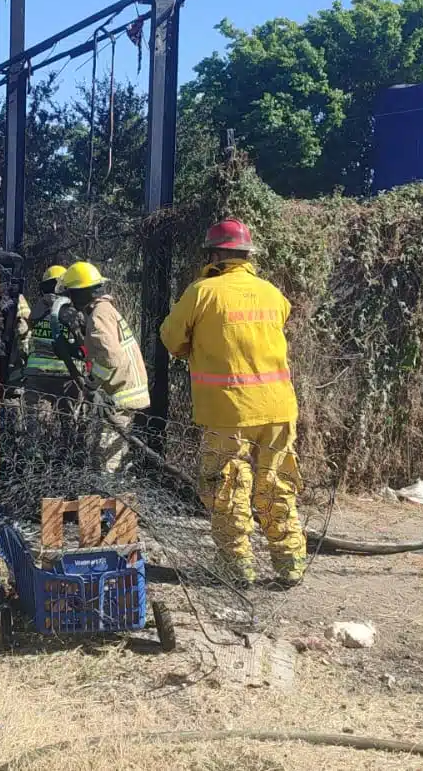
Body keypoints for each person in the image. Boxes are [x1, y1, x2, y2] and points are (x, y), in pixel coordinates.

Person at [159, 218, 305, 588]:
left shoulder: (202, 292)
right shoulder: (272, 293)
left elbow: (172, 340)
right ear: (246, 255)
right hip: (278, 407)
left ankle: (237, 566)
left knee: (227, 485)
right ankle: (290, 563)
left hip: (229, 409)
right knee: (276, 484)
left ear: (214, 254)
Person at [59, 261, 149, 475]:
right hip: (121, 392)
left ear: (81, 293)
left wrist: (91, 384)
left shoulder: (99, 314)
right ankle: (112, 498)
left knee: (106, 458)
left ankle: (111, 501)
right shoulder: (105, 310)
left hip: (118, 395)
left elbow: (110, 358)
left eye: (72, 294)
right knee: (110, 451)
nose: (71, 300)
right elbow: (102, 351)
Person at [24, 265, 75, 412]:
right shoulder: (71, 310)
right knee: (70, 423)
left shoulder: (37, 309)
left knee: (36, 422)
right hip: (66, 374)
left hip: (37, 373)